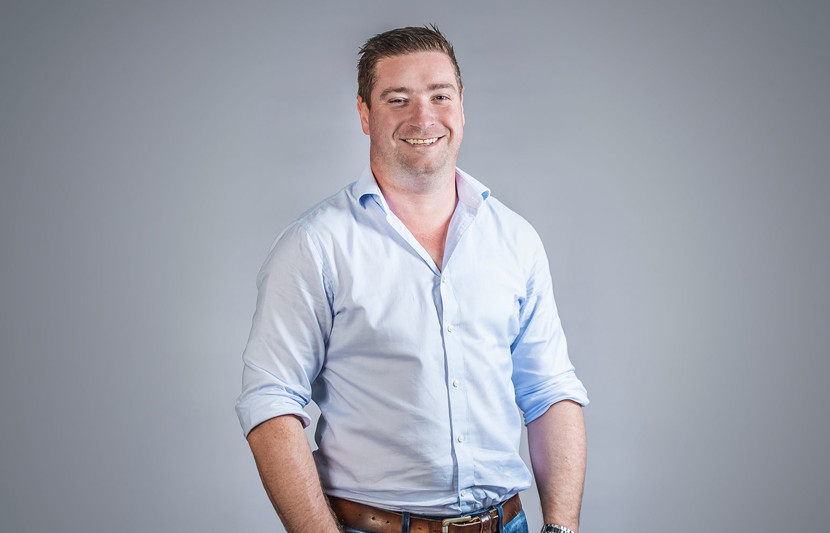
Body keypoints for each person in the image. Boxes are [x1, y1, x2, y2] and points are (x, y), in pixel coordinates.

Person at [236, 25, 589, 533]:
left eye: (439, 96)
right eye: (397, 99)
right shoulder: (315, 245)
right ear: (364, 113)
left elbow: (549, 391)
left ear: (462, 105)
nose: (423, 118)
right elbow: (270, 402)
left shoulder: (515, 239)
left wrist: (562, 527)